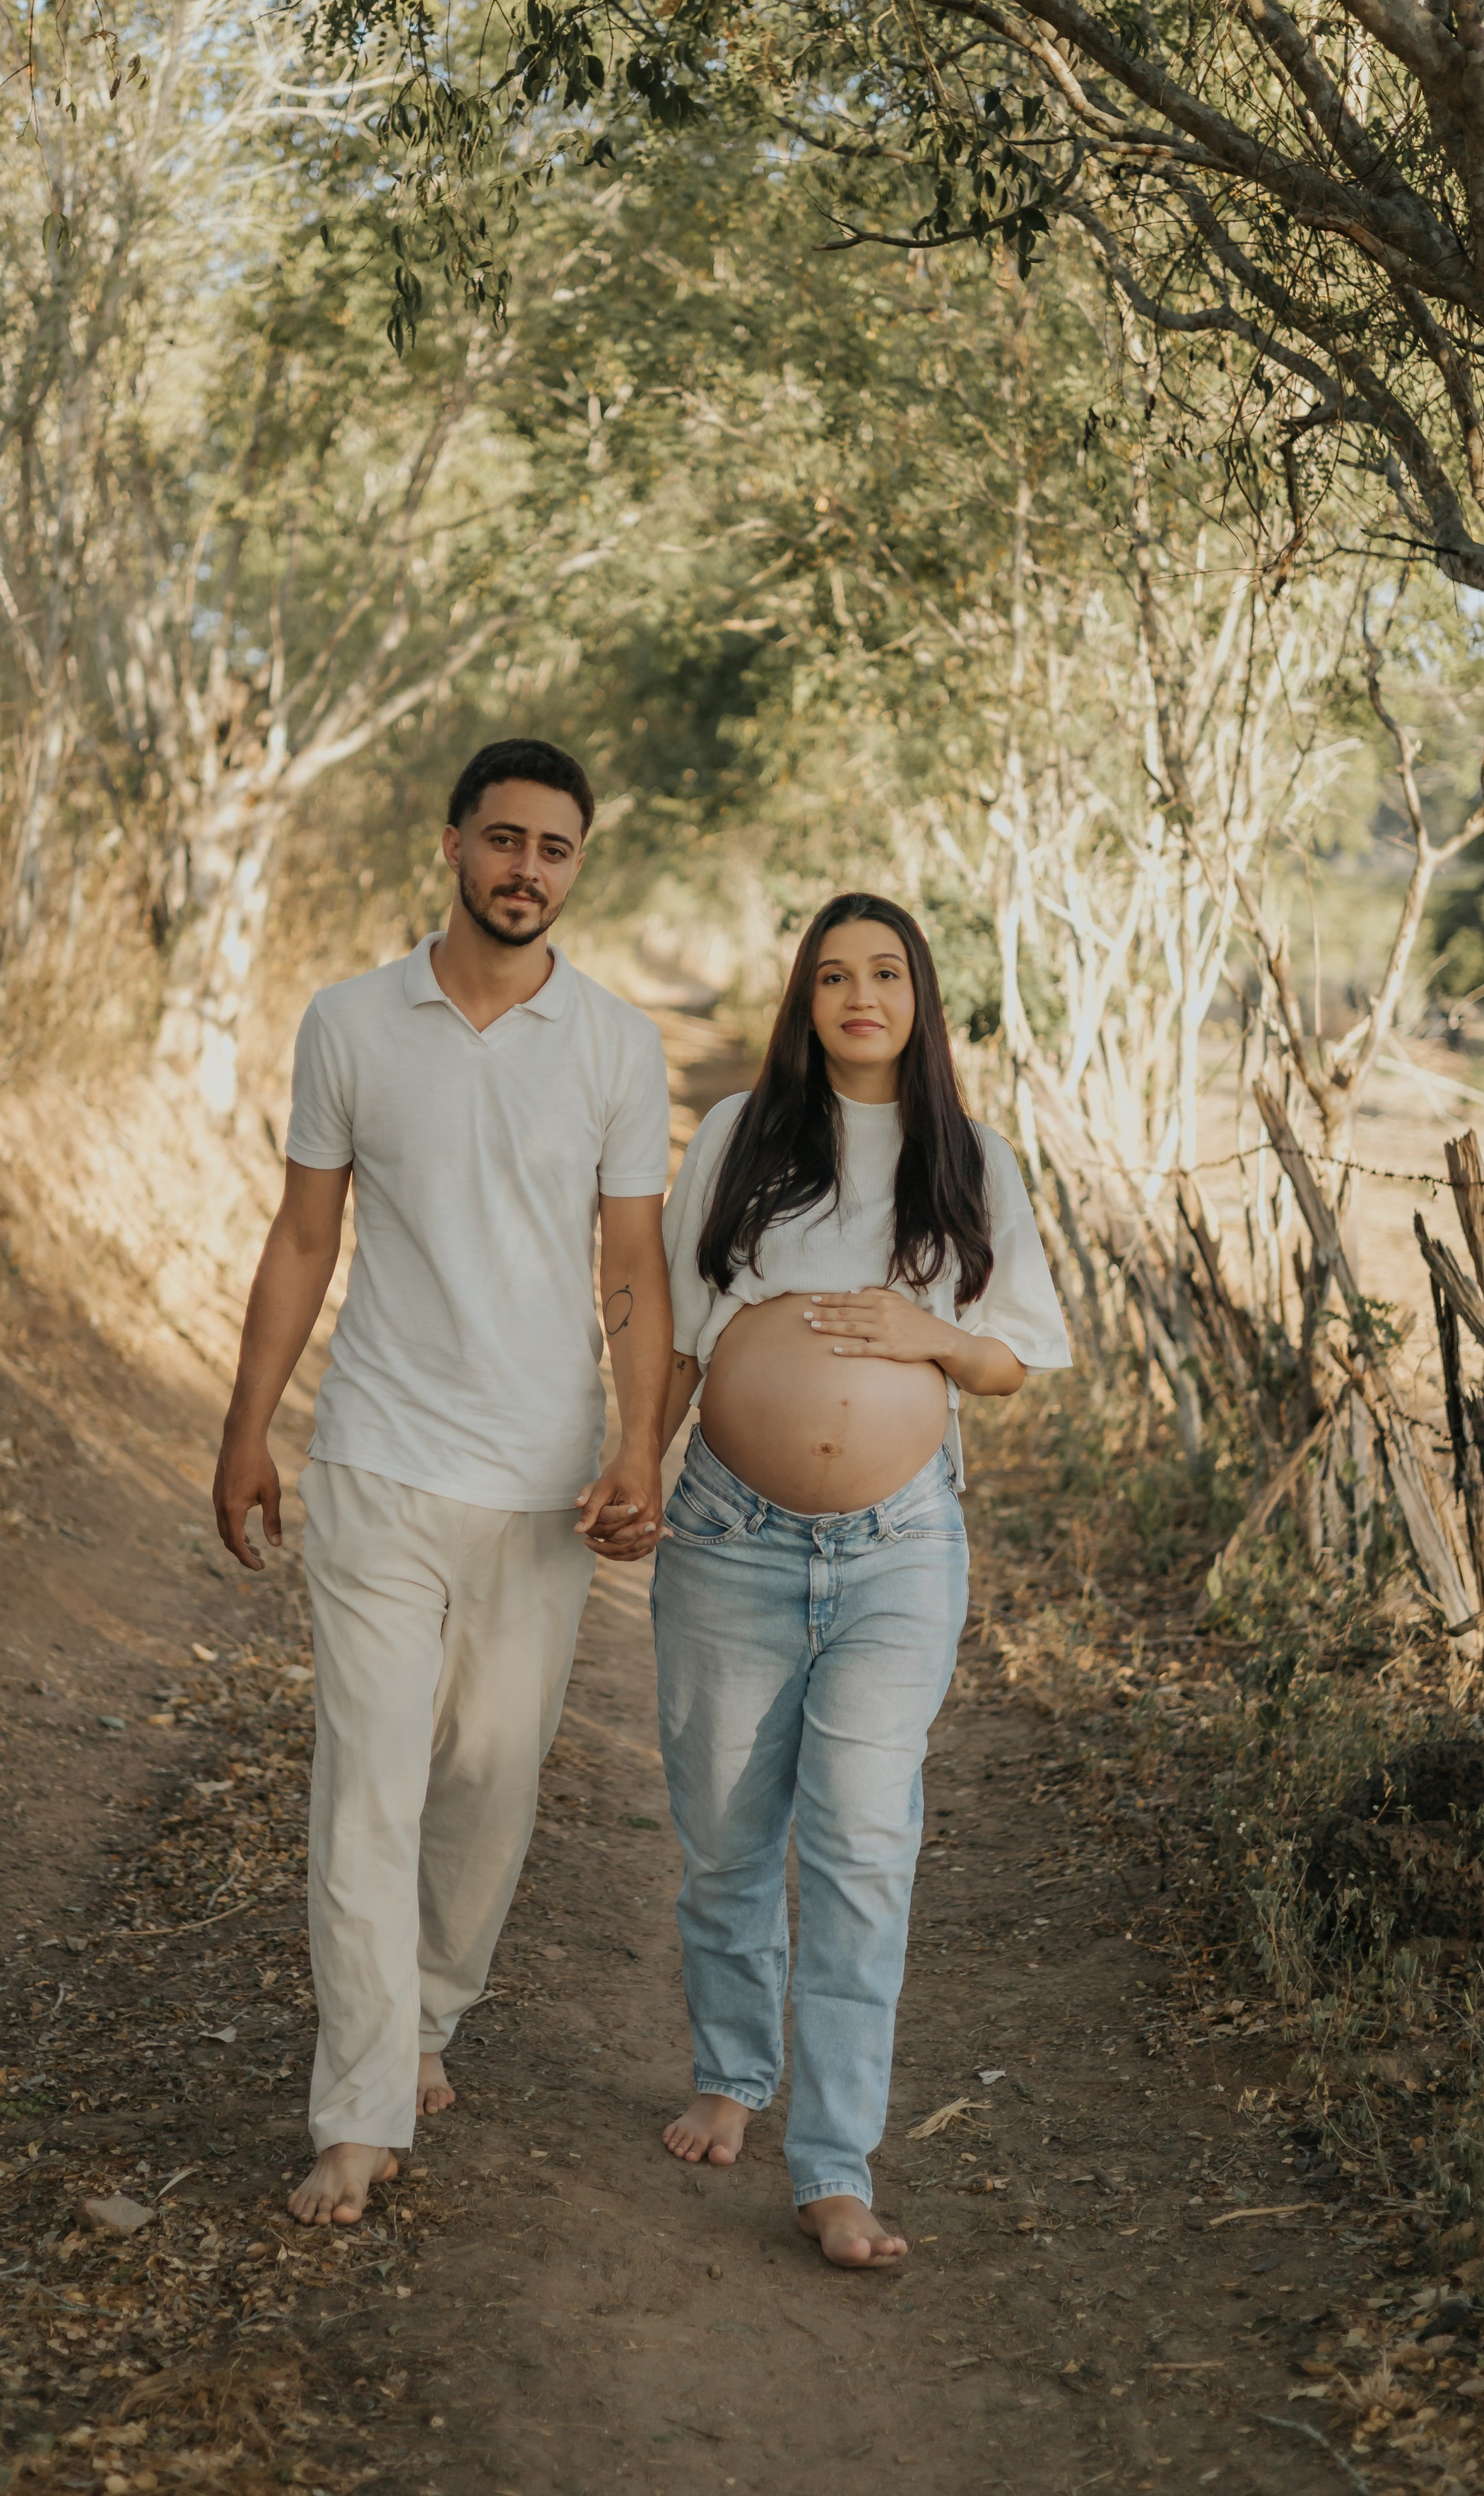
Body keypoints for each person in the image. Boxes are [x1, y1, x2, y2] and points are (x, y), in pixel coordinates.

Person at [211, 737, 673, 2227]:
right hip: (378, 1457)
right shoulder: (351, 1022)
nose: (526, 868)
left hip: (540, 1481)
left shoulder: (615, 1045)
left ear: (577, 866)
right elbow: (303, 1238)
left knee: (486, 1782)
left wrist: (636, 1444)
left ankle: (425, 2012)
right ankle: (356, 2110)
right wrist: (247, 1427)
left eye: (554, 847)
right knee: (368, 1787)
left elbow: (630, 1264)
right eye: (503, 838)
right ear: (455, 845)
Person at [652, 893, 1070, 2268]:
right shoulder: (740, 1138)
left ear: (919, 998)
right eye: (832, 975)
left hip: (899, 1550)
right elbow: (677, 1335)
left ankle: (835, 2167)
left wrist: (925, 1335)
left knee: (861, 1845)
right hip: (730, 1538)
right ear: (805, 1000)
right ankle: (731, 2071)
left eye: (885, 972)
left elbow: (1013, 1358)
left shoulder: (969, 1159)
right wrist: (629, 1463)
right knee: (726, 1839)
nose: (859, 996)